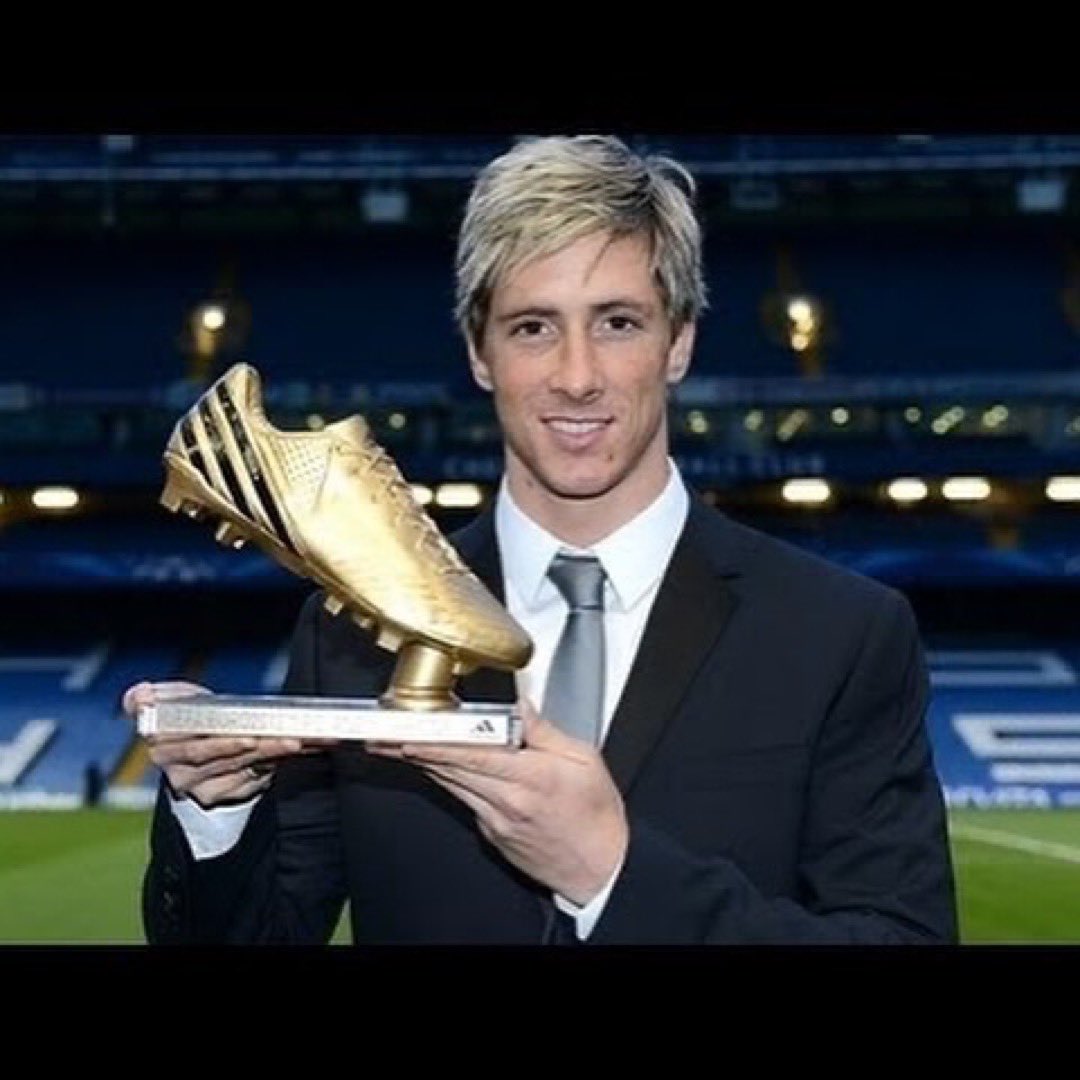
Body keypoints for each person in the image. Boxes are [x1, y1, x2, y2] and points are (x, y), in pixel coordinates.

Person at [124, 134, 958, 944]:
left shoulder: (839, 632)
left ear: (679, 342)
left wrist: (612, 877)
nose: (576, 376)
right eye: (533, 327)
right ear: (479, 352)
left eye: (618, 322)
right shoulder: (349, 632)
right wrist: (216, 807)